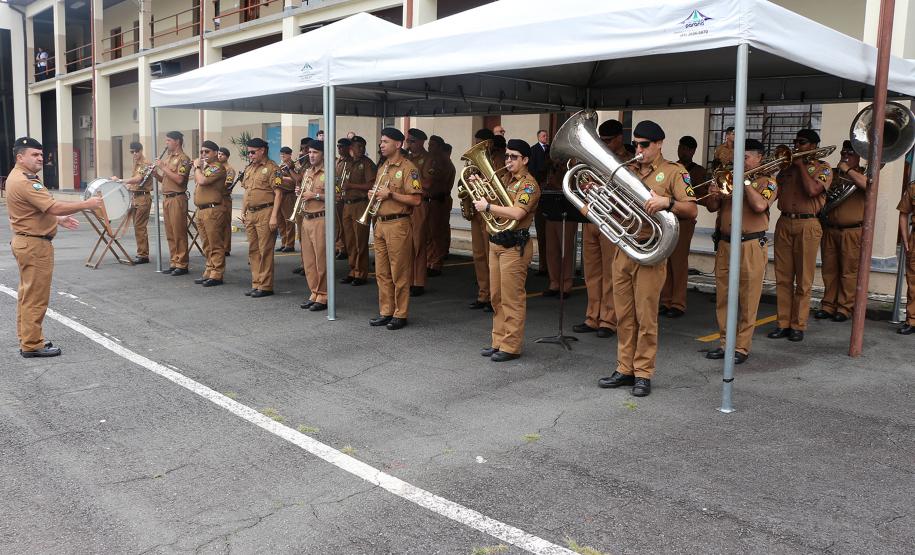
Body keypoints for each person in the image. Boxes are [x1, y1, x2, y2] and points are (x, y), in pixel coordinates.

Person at [597, 120, 697, 397]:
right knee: (624, 315)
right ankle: (624, 368)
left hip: (651, 251)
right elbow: (615, 209)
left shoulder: (674, 172)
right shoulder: (626, 169)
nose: (638, 150)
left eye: (644, 145)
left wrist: (668, 203)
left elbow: (691, 209)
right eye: (636, 144)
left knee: (646, 316)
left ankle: (643, 373)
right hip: (624, 249)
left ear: (659, 144)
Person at [7, 137, 103, 357]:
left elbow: (33, 209)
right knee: (35, 296)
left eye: (41, 154)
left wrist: (57, 220)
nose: (40, 158)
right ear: (20, 156)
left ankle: (28, 337)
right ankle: (32, 344)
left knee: (27, 293)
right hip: (34, 244)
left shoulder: (17, 177)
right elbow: (54, 206)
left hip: (25, 240)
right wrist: (87, 204)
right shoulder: (26, 181)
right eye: (34, 154)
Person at [703, 139, 777, 364]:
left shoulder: (769, 182)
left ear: (759, 158)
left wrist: (744, 182)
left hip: (751, 245)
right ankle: (725, 344)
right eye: (738, 157)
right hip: (726, 244)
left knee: (748, 298)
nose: (740, 161)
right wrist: (714, 193)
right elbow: (711, 207)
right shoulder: (727, 178)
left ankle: (742, 347)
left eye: (745, 158)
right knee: (724, 296)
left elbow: (759, 206)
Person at [472, 139, 541, 362]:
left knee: (512, 298)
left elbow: (518, 213)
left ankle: (511, 346)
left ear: (525, 160)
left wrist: (489, 206)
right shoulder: (504, 179)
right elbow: (492, 201)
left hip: (514, 245)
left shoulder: (528, 184)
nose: (508, 160)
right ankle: (498, 341)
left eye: (514, 157)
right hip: (496, 242)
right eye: (507, 156)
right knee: (496, 296)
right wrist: (479, 186)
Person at [767, 129, 832, 342]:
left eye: (802, 142)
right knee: (782, 278)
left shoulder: (823, 168)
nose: (796, 146)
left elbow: (813, 190)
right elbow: (773, 193)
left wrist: (800, 166)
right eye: (795, 142)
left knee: (803, 279)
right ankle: (783, 323)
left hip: (808, 224)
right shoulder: (786, 170)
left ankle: (798, 325)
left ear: (813, 146)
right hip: (784, 222)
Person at [368, 128, 423, 330]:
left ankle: (401, 313)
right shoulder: (382, 168)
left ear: (398, 144)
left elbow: (416, 199)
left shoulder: (409, 168)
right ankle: (386, 311)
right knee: (382, 272)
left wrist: (390, 195)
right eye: (381, 141)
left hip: (398, 223)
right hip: (381, 223)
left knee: (399, 272)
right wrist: (373, 195)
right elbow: (380, 193)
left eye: (385, 141)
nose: (381, 145)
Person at [573, 119, 624, 338]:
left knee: (610, 273)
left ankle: (608, 319)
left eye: (608, 141)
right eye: (601, 140)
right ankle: (592, 316)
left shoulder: (627, 160)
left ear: (619, 139)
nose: (604, 144)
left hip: (613, 221)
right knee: (591, 272)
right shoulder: (594, 159)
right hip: (592, 218)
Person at [815, 140, 867, 322]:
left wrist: (848, 170)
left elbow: (870, 187)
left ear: (858, 156)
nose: (845, 155)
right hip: (830, 229)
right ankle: (828, 305)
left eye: (850, 153)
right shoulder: (833, 174)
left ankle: (845, 308)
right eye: (844, 152)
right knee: (829, 269)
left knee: (848, 271)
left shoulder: (862, 175)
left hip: (851, 232)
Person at [659, 135, 706, 317]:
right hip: (668, 219)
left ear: (693, 151)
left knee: (678, 263)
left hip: (684, 221)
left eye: (687, 149)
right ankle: (665, 300)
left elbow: (701, 197)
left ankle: (678, 303)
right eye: (681, 147)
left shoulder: (698, 171)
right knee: (666, 261)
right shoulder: (672, 168)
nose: (683, 151)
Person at [240, 137, 282, 298]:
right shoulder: (250, 168)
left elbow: (279, 193)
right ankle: (256, 283)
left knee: (265, 250)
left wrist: (274, 216)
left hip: (266, 212)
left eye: (252, 152)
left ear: (262, 150)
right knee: (253, 250)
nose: (249, 155)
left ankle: (265, 285)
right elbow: (246, 191)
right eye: (248, 152)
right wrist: (243, 211)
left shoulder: (272, 168)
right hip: (251, 213)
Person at [339, 136, 376, 286]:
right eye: (357, 146)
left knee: (360, 240)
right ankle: (353, 270)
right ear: (351, 148)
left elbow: (371, 184)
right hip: (347, 204)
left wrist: (351, 185)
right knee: (349, 240)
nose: (361, 149)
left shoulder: (367, 163)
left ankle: (361, 273)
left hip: (360, 204)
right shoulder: (347, 163)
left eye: (362, 146)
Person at [154, 131, 192, 276]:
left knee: (179, 232)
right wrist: (156, 174)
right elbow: (166, 180)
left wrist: (163, 167)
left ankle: (182, 264)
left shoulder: (184, 159)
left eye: (169, 140)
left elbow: (179, 180)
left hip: (177, 198)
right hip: (167, 198)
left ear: (177, 141)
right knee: (170, 232)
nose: (166, 143)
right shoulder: (169, 158)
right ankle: (174, 261)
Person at [297, 141, 329, 311]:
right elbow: (305, 193)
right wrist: (301, 193)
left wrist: (315, 195)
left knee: (321, 259)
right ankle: (314, 292)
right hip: (307, 218)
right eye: (310, 152)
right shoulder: (308, 171)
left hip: (320, 218)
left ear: (323, 154)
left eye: (315, 152)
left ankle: (323, 295)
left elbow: (336, 196)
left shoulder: (329, 172)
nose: (311, 155)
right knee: (309, 260)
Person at [466, 128, 496, 311]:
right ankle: (483, 294)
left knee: (490, 254)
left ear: (489, 143)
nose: (476, 145)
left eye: (480, 142)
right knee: (479, 255)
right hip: (477, 210)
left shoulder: (497, 160)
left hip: (490, 211)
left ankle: (494, 296)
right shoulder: (472, 160)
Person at [110, 141, 154, 264]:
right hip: (136, 196)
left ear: (141, 150)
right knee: (137, 227)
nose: (134, 154)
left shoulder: (145, 163)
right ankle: (141, 252)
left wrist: (121, 180)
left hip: (143, 197)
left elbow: (138, 179)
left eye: (136, 151)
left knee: (140, 227)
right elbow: (136, 182)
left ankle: (143, 255)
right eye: (132, 152)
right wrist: (129, 187)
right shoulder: (136, 163)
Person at [191, 140, 227, 287]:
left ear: (215, 153)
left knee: (215, 244)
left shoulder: (217, 167)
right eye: (202, 152)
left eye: (207, 152)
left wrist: (197, 167)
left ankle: (217, 274)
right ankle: (209, 271)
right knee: (206, 244)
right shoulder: (207, 167)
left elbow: (203, 181)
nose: (203, 154)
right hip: (202, 210)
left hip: (213, 210)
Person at [406, 128, 436, 297]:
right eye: (408, 141)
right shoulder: (407, 158)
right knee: (408, 243)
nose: (408, 144)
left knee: (418, 243)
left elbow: (428, 183)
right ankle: (409, 279)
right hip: (406, 202)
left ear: (420, 142)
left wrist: (411, 180)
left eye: (411, 141)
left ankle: (418, 281)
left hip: (420, 204)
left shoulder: (428, 159)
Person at [426, 135, 454, 277]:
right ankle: (430, 261)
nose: (429, 147)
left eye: (432, 145)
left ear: (439, 147)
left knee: (437, 233)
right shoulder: (433, 160)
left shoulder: (442, 162)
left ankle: (436, 263)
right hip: (431, 200)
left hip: (439, 200)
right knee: (430, 233)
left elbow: (431, 182)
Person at [529, 130, 551, 276]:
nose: (546, 137)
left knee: (551, 237)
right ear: (538, 137)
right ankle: (543, 265)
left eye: (546, 136)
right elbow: (533, 169)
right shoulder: (533, 150)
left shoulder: (550, 150)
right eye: (543, 136)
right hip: (539, 191)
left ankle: (551, 267)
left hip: (550, 193)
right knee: (542, 234)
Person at [896, 174, 915, 335]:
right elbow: (903, 212)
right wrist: (905, 238)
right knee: (913, 282)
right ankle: (912, 320)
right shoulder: (913, 187)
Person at [274, 146, 297, 253]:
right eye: (281, 154)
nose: (282, 156)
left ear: (290, 155)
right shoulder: (280, 165)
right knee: (280, 221)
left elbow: (295, 180)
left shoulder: (293, 165)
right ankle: (284, 242)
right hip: (280, 195)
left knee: (288, 220)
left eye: (285, 154)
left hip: (289, 195)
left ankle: (290, 244)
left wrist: (282, 178)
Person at [334, 138, 353, 260]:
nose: (339, 149)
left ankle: (345, 248)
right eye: (338, 146)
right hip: (337, 195)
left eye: (342, 147)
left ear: (348, 148)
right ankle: (339, 246)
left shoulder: (351, 162)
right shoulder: (337, 162)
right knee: (337, 225)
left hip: (346, 197)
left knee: (345, 226)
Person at [217, 147, 235, 257]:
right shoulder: (216, 168)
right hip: (216, 198)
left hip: (225, 198)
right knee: (217, 224)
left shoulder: (229, 169)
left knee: (226, 223)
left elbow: (228, 184)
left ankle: (226, 247)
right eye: (218, 154)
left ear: (227, 157)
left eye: (222, 154)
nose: (219, 156)